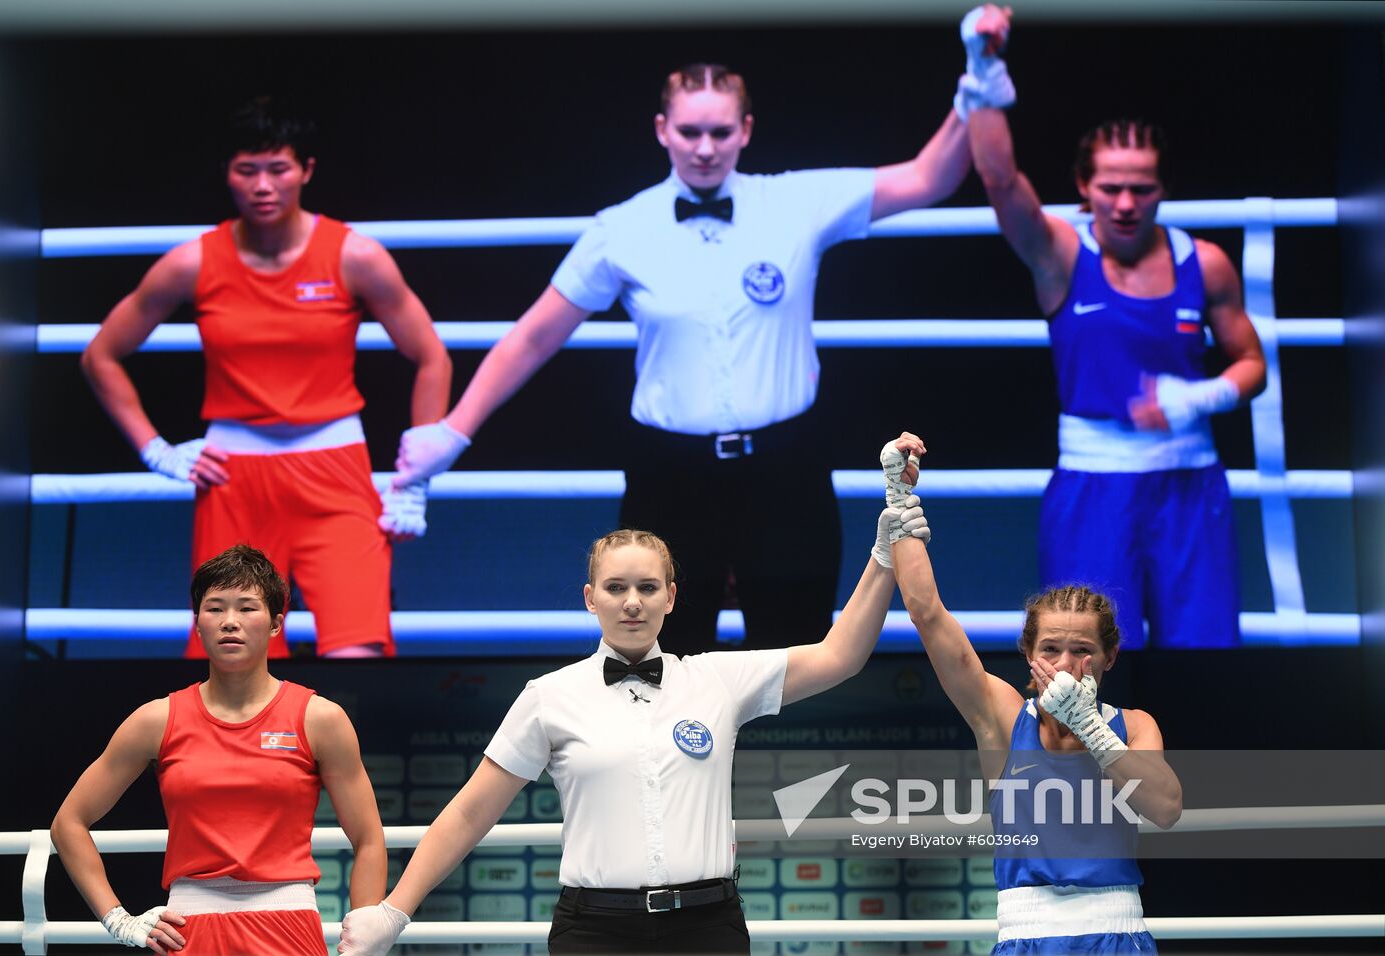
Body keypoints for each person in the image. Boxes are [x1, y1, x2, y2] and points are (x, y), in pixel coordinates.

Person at [388, 51, 994, 653]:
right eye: (689, 131)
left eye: (720, 131)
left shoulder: (795, 203)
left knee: (798, 653)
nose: (705, 147)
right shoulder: (621, 228)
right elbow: (534, 336)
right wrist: (453, 432)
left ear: (746, 132)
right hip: (669, 475)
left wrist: (975, 84)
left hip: (785, 468)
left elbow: (927, 178)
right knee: (665, 661)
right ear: (662, 131)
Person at [336, 437, 927, 955]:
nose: (632, 602)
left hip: (709, 931)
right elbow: (468, 813)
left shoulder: (718, 680)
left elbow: (839, 655)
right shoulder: (549, 697)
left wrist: (884, 548)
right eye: (616, 588)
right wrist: (393, 912)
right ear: (590, 598)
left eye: (647, 587)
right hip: (595, 935)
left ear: (672, 596)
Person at [80, 95, 452, 658]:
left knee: (359, 654)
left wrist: (417, 477)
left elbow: (433, 357)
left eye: (277, 168)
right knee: (233, 667)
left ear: (305, 171)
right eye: (246, 169)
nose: (262, 185)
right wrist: (156, 450)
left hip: (336, 473)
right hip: (234, 482)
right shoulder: (193, 261)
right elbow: (100, 355)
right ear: (227, 175)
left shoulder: (354, 255)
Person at [962, 8, 1266, 647]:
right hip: (1093, 487)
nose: (1125, 203)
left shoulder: (1204, 263)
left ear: (1162, 190)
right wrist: (983, 69)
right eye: (1110, 188)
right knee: (1079, 666)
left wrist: (1199, 396)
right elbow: (998, 179)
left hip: (1191, 484)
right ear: (1083, 186)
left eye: (1141, 188)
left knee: (1205, 656)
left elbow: (1250, 363)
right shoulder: (1060, 257)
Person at [887, 433, 1182, 954]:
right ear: (1028, 655)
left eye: (1081, 650)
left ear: (1109, 658)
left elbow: (1165, 807)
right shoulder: (1002, 717)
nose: (1065, 665)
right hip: (1026, 936)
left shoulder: (1135, 725)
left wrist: (1091, 726)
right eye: (1050, 649)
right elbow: (927, 615)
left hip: (1117, 933)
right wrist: (898, 497)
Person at [50, 543, 387, 954]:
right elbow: (69, 822)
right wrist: (118, 920)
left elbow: (368, 837)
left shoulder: (320, 719)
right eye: (215, 608)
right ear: (197, 623)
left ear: (276, 623)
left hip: (289, 925)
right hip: (188, 930)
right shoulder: (156, 719)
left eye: (247, 608)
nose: (230, 622)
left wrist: (365, 933)